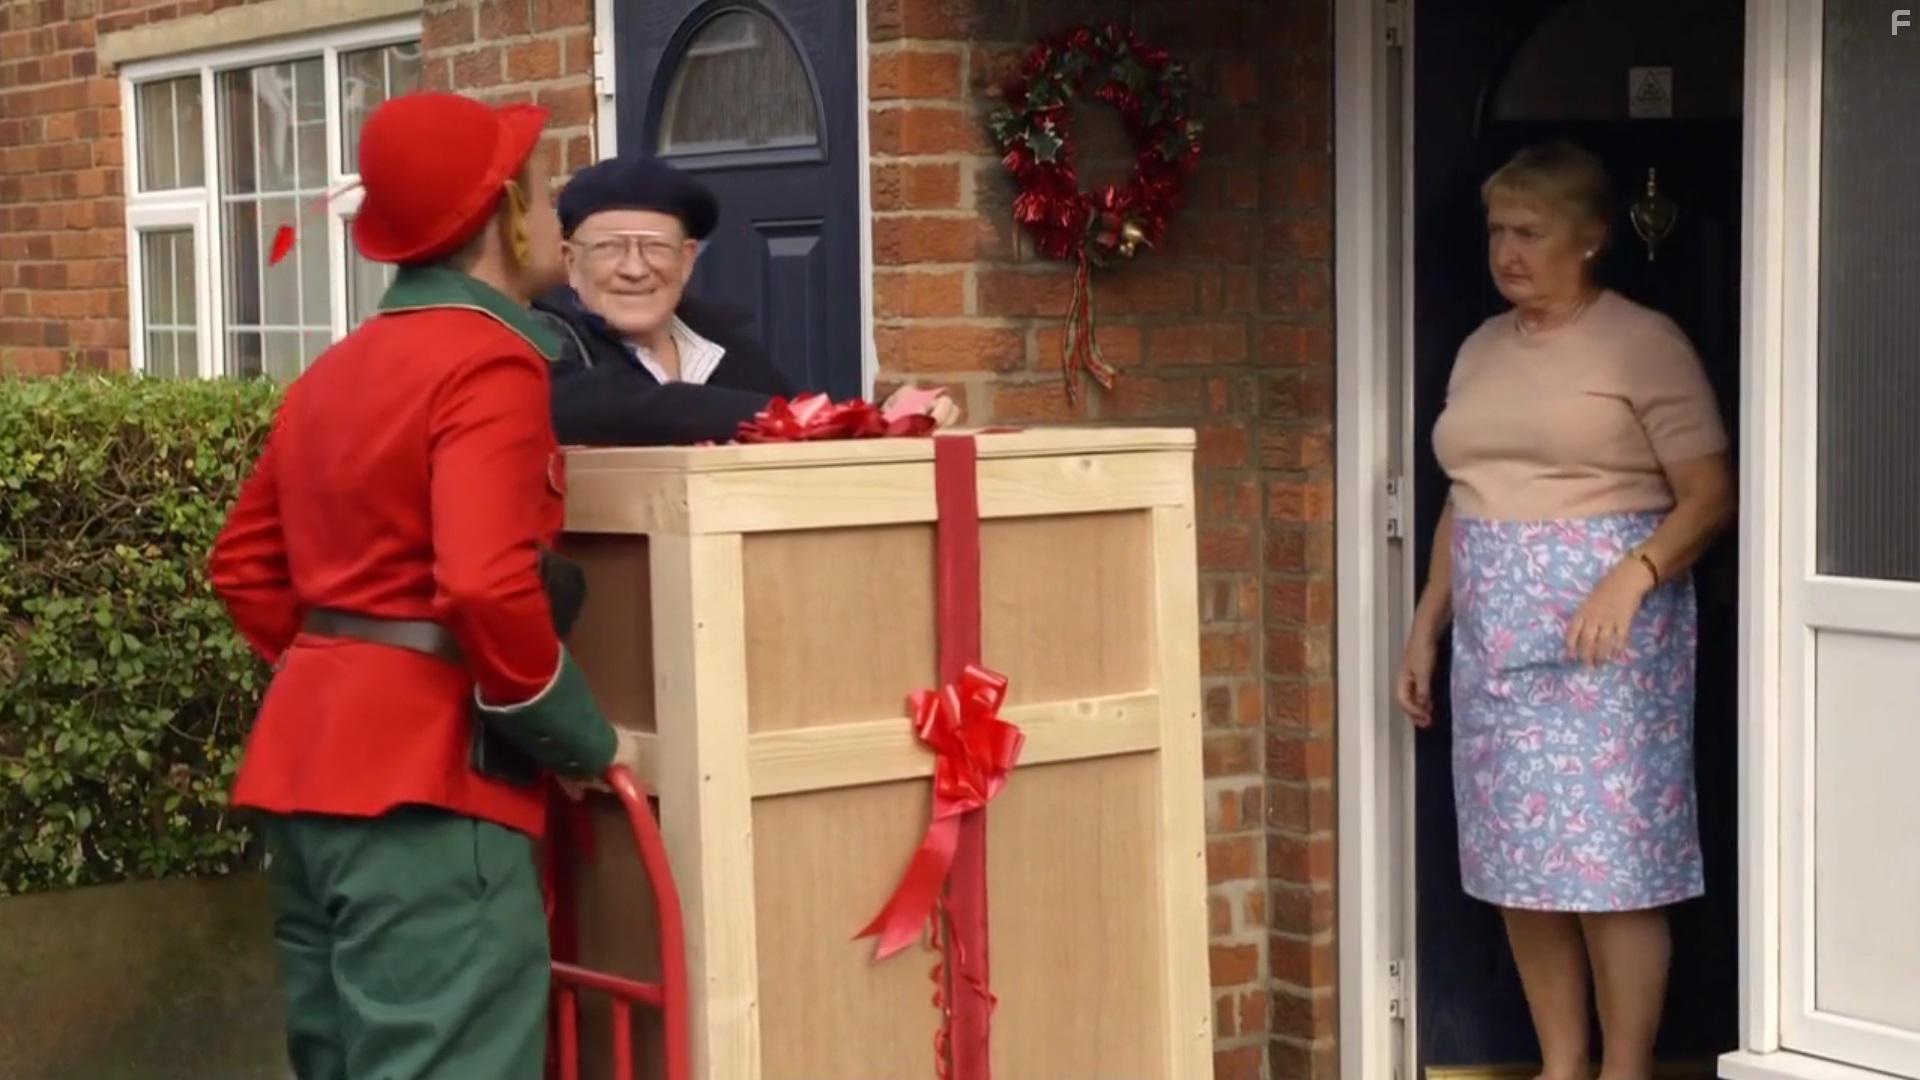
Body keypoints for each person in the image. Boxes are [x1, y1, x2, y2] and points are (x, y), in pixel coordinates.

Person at [208, 92, 619, 1080]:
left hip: (309, 781)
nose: (557, 211)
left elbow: (245, 567)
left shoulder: (335, 370)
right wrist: (577, 739)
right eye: (539, 186)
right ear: (501, 215)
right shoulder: (488, 364)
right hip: (428, 802)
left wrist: (352, 674)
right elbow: (484, 583)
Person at [1395, 140, 1735, 1080]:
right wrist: (1429, 623)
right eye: (1498, 230)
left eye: (1530, 231)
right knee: (1520, 864)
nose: (1507, 250)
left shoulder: (1641, 340)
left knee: (1614, 868)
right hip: (1497, 636)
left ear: (1589, 239)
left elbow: (1711, 493)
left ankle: (1623, 1071)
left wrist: (1634, 575)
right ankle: (1561, 1064)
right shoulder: (1478, 349)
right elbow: (1468, 496)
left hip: (1608, 639)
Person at [534, 155, 957, 446]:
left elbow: (797, 439)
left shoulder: (728, 350)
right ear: (570, 262)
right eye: (609, 248)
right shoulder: (541, 339)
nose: (635, 268)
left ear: (686, 260)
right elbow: (616, 408)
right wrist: (800, 418)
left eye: (656, 248)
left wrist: (880, 418)